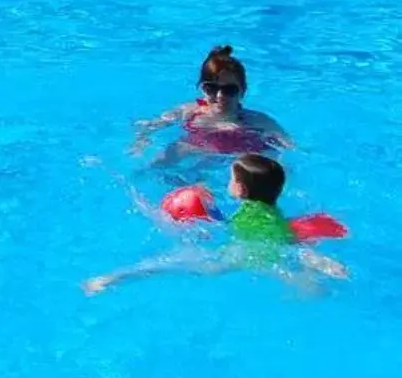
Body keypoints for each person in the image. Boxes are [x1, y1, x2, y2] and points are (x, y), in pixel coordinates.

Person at [84, 153, 346, 294]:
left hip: (251, 247)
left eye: (231, 179)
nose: (228, 183)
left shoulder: (243, 215)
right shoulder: (268, 206)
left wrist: (199, 210)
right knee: (289, 247)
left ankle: (112, 279)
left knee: (190, 266)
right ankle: (316, 263)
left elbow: (222, 225)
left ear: (240, 190)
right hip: (277, 228)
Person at [135, 45, 291, 162]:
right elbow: (151, 125)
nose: (220, 96)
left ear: (242, 92)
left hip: (241, 160)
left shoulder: (255, 120)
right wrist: (141, 140)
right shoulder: (189, 111)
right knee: (156, 165)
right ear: (202, 89)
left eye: (229, 90)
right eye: (211, 88)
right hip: (198, 153)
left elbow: (289, 145)